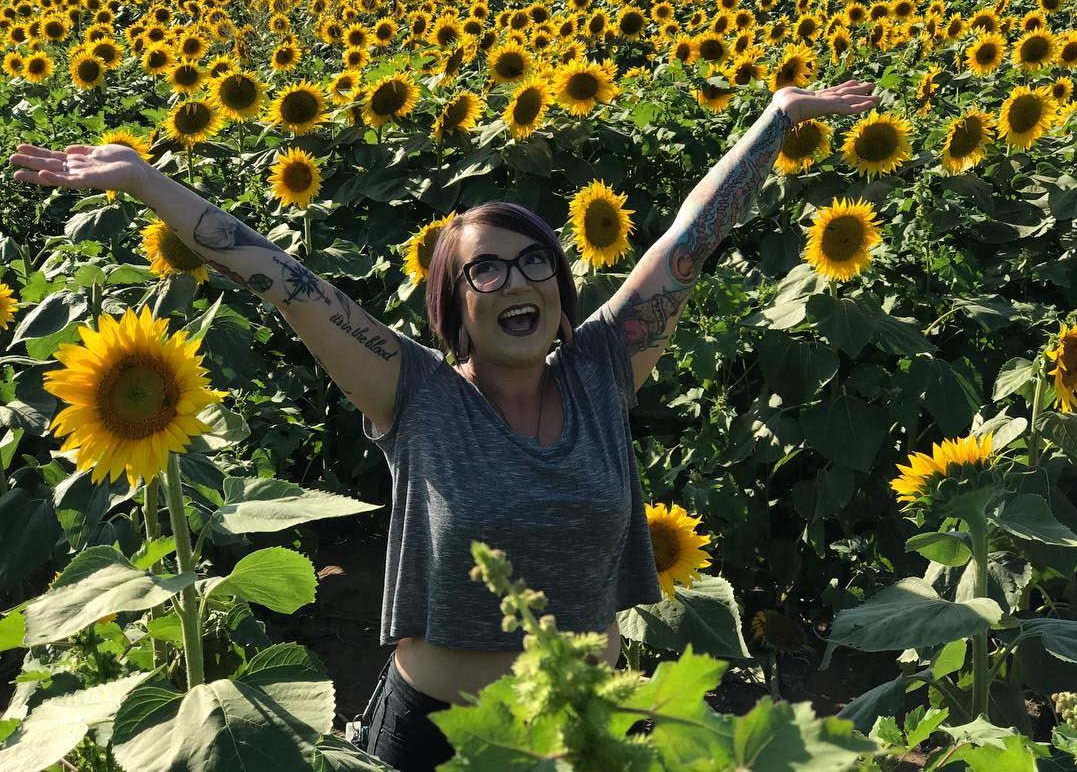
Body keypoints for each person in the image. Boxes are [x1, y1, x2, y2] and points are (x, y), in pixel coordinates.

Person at [9, 79, 879, 771]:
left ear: (560, 290)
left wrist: (774, 120)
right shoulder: (415, 394)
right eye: (486, 271)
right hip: (440, 737)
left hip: (586, 726)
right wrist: (142, 177)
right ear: (454, 308)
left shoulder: (602, 370)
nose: (518, 281)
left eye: (535, 261)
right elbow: (287, 280)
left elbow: (690, 241)